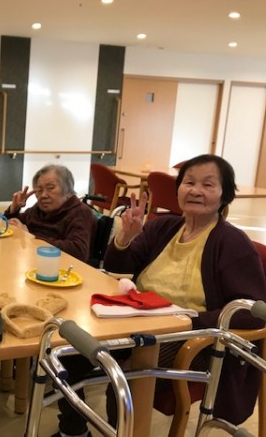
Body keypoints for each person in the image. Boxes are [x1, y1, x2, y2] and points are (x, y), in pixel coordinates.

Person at [54, 154, 266, 437]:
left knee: (125, 378)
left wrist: (188, 320)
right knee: (67, 352)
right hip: (137, 320)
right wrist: (125, 238)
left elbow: (249, 312)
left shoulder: (232, 243)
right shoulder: (163, 226)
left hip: (191, 338)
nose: (196, 190)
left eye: (208, 184)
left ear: (224, 195)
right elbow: (119, 270)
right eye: (189, 182)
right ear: (178, 189)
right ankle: (74, 432)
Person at [4, 164, 97, 262]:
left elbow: (79, 251)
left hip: (59, 266)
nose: (43, 195)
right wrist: (14, 210)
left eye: (50, 188)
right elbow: (9, 227)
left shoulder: (80, 212)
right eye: (39, 190)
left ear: (68, 191)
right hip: (33, 259)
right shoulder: (38, 209)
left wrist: (31, 237)